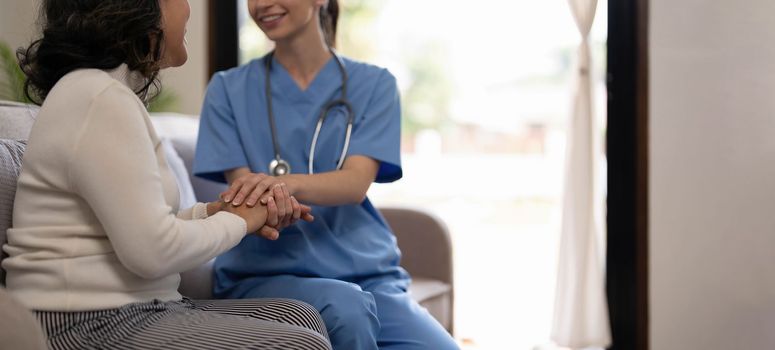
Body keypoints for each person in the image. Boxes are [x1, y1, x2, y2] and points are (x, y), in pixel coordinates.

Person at [2, 1, 332, 349]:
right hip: (78, 321)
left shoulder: (103, 93)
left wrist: (214, 213)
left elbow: (142, 226)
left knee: (301, 316)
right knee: (301, 344)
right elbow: (152, 252)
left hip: (133, 308)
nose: (188, 7)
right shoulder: (97, 98)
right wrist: (242, 221)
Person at [193, 0, 459, 349]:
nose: (261, 4)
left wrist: (282, 185)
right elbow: (246, 196)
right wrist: (271, 195)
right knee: (346, 309)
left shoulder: (374, 85)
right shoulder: (226, 90)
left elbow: (353, 184)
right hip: (264, 274)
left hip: (368, 275)